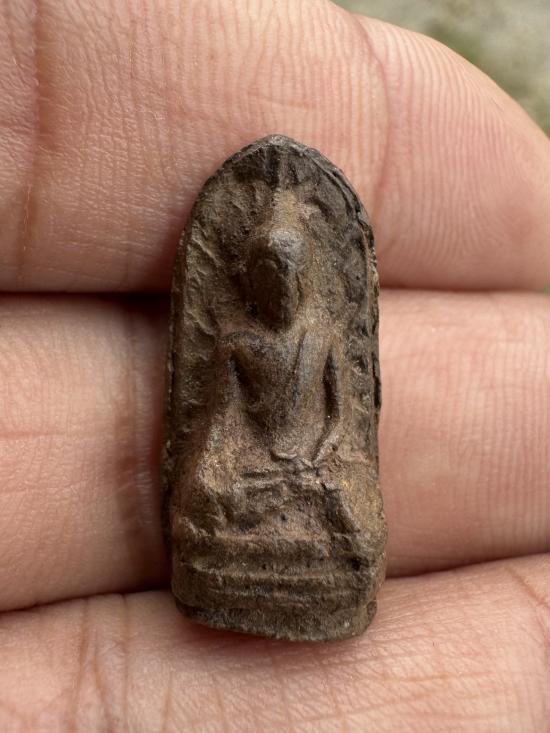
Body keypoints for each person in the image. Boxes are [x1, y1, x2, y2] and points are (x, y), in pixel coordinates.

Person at [0, 1, 549, 729]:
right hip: (257, 469)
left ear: (307, 278)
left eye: (289, 277)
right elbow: (217, 430)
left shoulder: (323, 338)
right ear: (250, 282)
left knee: (353, 515)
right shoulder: (235, 342)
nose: (279, 290)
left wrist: (318, 461)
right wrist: (230, 472)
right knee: (204, 495)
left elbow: (344, 421)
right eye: (267, 278)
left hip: (313, 467)